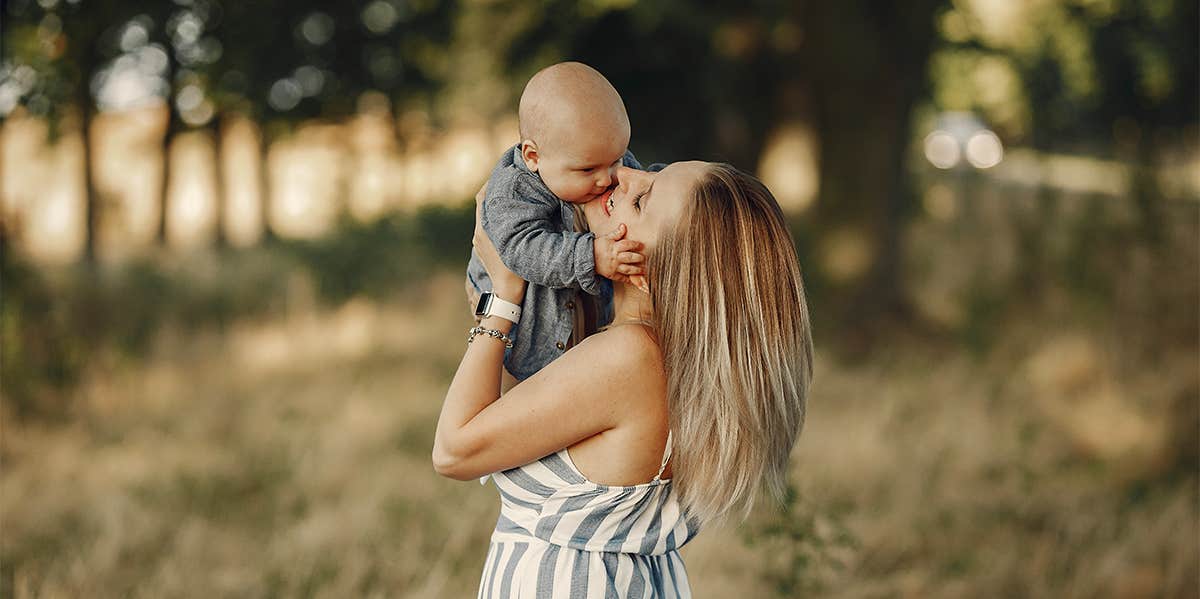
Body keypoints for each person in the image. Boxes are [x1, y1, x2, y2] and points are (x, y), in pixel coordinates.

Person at [435, 161, 814, 598]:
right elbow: (505, 420)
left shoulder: (630, 358)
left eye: (641, 200)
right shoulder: (665, 361)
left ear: (647, 272)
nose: (623, 176)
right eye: (651, 171)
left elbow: (454, 450)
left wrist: (503, 295)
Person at [465, 61, 653, 383]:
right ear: (533, 157)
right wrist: (591, 256)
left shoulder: (598, 159)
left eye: (617, 159)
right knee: (535, 386)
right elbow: (521, 248)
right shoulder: (512, 191)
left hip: (586, 312)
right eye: (587, 170)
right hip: (530, 324)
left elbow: (644, 182)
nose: (607, 178)